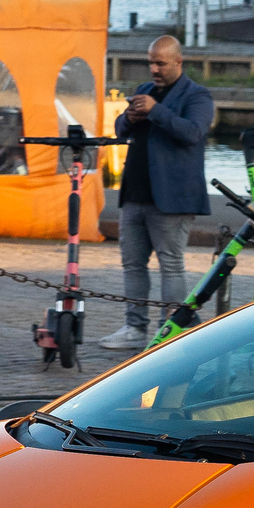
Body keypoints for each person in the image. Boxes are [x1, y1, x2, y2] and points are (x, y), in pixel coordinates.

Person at [99, 37, 214, 349]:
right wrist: (129, 119)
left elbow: (192, 133)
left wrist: (156, 111)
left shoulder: (197, 96)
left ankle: (172, 332)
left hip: (172, 198)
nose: (154, 69)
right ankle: (134, 328)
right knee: (132, 264)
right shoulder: (145, 91)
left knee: (170, 263)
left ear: (179, 62)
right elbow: (121, 130)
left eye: (160, 63)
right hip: (134, 194)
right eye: (151, 62)